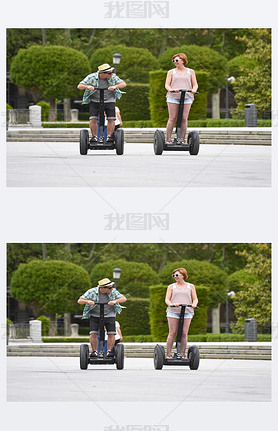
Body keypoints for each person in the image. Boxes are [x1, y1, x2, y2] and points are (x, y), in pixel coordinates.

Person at [77, 277, 127, 358]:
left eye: (112, 287)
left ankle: (110, 351)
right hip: (95, 315)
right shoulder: (92, 291)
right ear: (102, 288)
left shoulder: (113, 292)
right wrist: (88, 301)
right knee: (93, 333)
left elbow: (123, 298)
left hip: (110, 315)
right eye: (109, 288)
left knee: (111, 333)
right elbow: (80, 300)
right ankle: (94, 351)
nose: (111, 289)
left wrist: (115, 301)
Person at [77, 63, 126, 143]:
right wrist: (87, 87)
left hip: (110, 100)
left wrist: (115, 86)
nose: (111, 74)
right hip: (95, 101)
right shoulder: (91, 77)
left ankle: (109, 137)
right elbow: (80, 85)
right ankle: (94, 137)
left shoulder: (113, 77)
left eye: (111, 72)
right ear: (102, 73)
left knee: (111, 118)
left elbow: (123, 84)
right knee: (93, 118)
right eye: (109, 73)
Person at [165, 53, 198, 144]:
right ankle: (168, 139)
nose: (175, 62)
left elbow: (195, 84)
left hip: (187, 96)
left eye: (177, 60)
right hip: (173, 97)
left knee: (184, 118)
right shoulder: (171, 72)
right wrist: (171, 90)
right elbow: (167, 85)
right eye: (173, 61)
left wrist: (194, 89)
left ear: (183, 61)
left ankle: (182, 139)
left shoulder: (190, 71)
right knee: (172, 118)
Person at [165, 267, 198, 359]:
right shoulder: (171, 286)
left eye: (176, 275)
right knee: (172, 333)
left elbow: (195, 298)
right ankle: (168, 354)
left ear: (183, 275)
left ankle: (182, 354)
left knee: (184, 333)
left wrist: (194, 304)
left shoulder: (191, 286)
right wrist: (171, 304)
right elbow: (167, 299)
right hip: (173, 312)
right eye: (173, 275)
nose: (175, 277)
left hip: (187, 311)